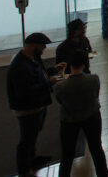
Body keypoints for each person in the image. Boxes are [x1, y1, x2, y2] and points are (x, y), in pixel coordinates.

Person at [7, 32, 66, 177]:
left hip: (37, 106)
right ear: (34, 46)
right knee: (26, 139)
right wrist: (49, 83)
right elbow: (25, 92)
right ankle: (24, 170)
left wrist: (53, 70)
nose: (44, 49)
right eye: (42, 46)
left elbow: (40, 74)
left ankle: (32, 160)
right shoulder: (19, 66)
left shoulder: (32, 58)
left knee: (32, 135)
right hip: (27, 109)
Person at [53, 50, 108, 177]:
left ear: (69, 64)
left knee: (67, 154)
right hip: (92, 116)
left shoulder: (60, 87)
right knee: (97, 150)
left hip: (69, 121)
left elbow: (60, 101)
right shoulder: (94, 79)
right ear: (85, 64)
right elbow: (96, 95)